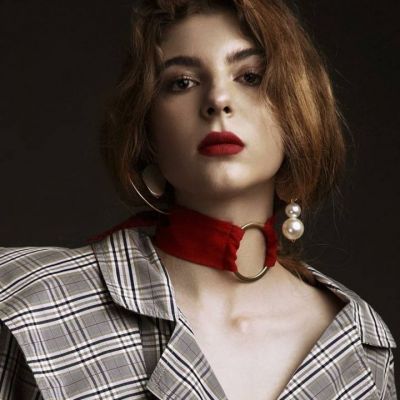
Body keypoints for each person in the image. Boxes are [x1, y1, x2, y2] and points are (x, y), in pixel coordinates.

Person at [0, 0, 397, 399]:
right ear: (147, 131)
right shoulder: (34, 307)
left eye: (250, 76)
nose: (218, 99)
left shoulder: (360, 349)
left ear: (296, 112)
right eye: (182, 82)